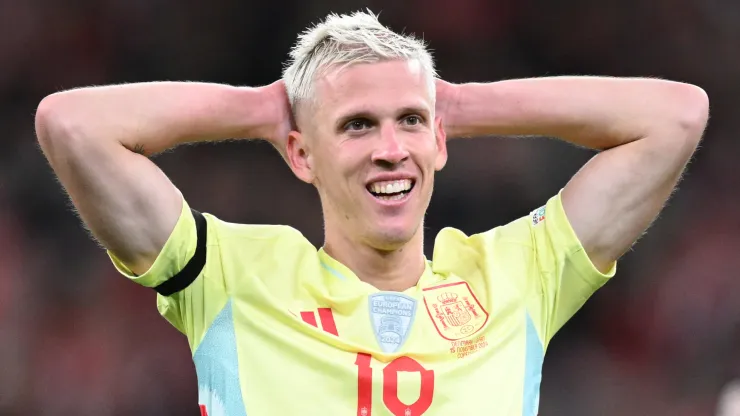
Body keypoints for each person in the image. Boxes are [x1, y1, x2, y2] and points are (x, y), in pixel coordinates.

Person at [35, 10, 708, 416]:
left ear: (439, 140)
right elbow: (70, 125)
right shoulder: (232, 275)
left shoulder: (517, 275)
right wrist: (262, 109)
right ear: (301, 154)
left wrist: (464, 104)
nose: (391, 151)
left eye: (410, 122)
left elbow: (676, 116)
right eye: (357, 126)